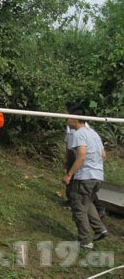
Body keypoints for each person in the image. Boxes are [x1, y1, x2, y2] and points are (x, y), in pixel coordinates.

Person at [63, 106, 108, 249]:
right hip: (97, 176)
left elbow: (81, 156)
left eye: (69, 118)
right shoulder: (93, 133)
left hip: (85, 177)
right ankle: (100, 229)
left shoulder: (79, 134)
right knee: (87, 204)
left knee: (78, 206)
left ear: (75, 120)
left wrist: (69, 174)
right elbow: (103, 155)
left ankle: (85, 240)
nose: (67, 120)